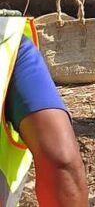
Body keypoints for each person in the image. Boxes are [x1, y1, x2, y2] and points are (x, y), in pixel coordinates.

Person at [0, 14, 88, 206]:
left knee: (61, 161)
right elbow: (61, 161)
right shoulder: (9, 47)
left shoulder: (11, 46)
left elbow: (61, 161)